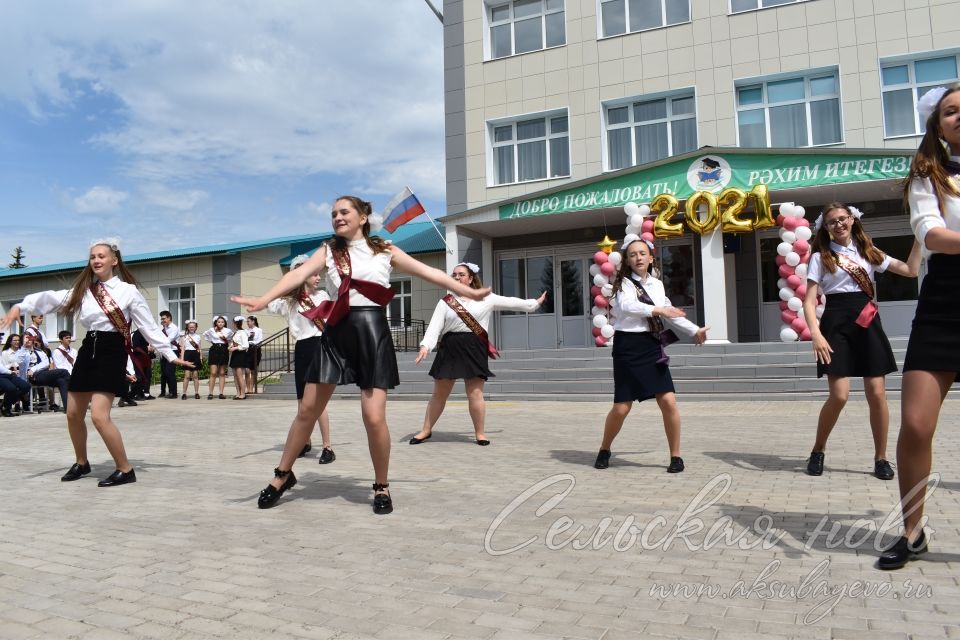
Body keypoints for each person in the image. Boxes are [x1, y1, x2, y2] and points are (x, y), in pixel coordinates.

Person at [233, 195, 490, 513]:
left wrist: (471, 291)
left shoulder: (385, 250)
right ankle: (282, 475)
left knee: (373, 417)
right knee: (306, 410)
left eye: (344, 212)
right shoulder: (329, 251)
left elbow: (431, 274)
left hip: (372, 335)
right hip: (337, 333)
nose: (337, 217)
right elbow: (295, 276)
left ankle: (381, 486)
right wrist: (262, 299)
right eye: (333, 214)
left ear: (363, 217)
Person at [0, 238, 194, 486]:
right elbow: (54, 298)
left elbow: (148, 326)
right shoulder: (85, 290)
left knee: (100, 416)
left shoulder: (127, 291)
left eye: (101, 256)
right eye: (93, 257)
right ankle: (82, 463)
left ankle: (125, 469)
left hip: (111, 350)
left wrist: (171, 355)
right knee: (72, 413)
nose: (96, 260)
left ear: (114, 259)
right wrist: (21, 306)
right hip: (87, 349)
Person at [879, 83, 960, 570]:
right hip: (945, 302)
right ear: (938, 124)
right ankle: (912, 531)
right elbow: (930, 234)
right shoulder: (927, 176)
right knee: (914, 425)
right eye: (951, 111)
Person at [802, 203, 921, 480]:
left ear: (852, 220)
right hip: (835, 323)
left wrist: (920, 236)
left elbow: (911, 270)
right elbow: (809, 301)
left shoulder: (869, 252)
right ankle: (818, 449)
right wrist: (816, 334)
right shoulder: (821, 257)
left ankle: (881, 458)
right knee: (839, 395)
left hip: (866, 322)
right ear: (826, 228)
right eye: (831, 222)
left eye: (842, 219)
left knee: (877, 394)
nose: (838, 224)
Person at [594, 237, 708, 473]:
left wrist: (694, 330)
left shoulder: (657, 285)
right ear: (627, 259)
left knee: (668, 401)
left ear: (651, 257)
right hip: (628, 347)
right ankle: (605, 448)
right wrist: (658, 309)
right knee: (622, 407)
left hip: (651, 345)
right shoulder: (623, 283)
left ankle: (675, 456)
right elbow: (628, 307)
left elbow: (670, 314)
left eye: (642, 253)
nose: (638, 258)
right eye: (633, 254)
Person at [410, 262, 546, 446]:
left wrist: (534, 303)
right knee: (439, 394)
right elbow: (435, 326)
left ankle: (480, 433)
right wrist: (425, 346)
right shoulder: (446, 302)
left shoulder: (486, 298)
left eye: (461, 274)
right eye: (454, 275)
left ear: (471, 278)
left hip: (474, 348)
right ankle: (426, 430)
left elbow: (512, 301)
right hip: (450, 348)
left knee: (475, 394)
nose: (457, 277)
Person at [266, 254, 335, 463]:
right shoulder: (289, 303)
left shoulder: (322, 296)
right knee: (302, 401)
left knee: (318, 403)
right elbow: (270, 301)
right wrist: (291, 280)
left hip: (319, 346)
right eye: (313, 274)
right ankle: (305, 441)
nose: (317, 277)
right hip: (302, 348)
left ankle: (327, 447)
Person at [17, 333, 71, 412]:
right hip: (33, 377)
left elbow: (46, 363)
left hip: (43, 374)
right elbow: (19, 361)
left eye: (30, 338)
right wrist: (24, 347)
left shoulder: (39, 351)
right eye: (26, 338)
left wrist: (34, 369)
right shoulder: (20, 352)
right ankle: (74, 401)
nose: (28, 340)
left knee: (62, 381)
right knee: (64, 372)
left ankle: (68, 408)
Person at [202, 316, 232, 399]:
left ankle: (221, 393)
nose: (220, 323)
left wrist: (221, 336)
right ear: (216, 322)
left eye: (222, 322)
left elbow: (229, 339)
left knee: (222, 373)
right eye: (219, 322)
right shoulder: (211, 330)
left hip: (224, 349)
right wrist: (212, 340)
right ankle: (210, 393)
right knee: (213, 372)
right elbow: (205, 335)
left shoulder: (228, 330)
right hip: (214, 349)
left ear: (225, 323)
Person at [157, 310, 180, 399]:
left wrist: (157, 343)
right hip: (164, 352)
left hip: (172, 351)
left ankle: (173, 393)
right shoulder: (164, 328)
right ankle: (163, 392)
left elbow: (168, 340)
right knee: (163, 373)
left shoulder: (174, 328)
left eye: (164, 318)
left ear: (169, 318)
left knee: (170, 372)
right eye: (161, 319)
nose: (162, 320)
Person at [179, 320, 203, 399]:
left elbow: (199, 348)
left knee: (195, 375)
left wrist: (201, 358)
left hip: (195, 355)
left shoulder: (198, 336)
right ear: (188, 328)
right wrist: (182, 360)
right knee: (187, 375)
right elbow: (182, 349)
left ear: (196, 327)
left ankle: (196, 393)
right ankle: (184, 393)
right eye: (190, 327)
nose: (192, 328)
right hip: (187, 355)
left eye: (193, 327)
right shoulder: (184, 337)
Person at [227, 315, 249, 399]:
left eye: (233, 323)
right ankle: (238, 393)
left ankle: (242, 394)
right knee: (235, 376)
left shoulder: (243, 332)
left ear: (236, 323)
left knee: (240, 375)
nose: (233, 324)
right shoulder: (236, 332)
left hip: (240, 354)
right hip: (235, 354)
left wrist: (235, 348)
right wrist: (231, 346)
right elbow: (235, 342)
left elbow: (245, 345)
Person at [244, 315, 263, 394]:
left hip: (255, 350)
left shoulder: (258, 330)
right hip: (247, 350)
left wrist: (251, 343)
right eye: (247, 322)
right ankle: (248, 388)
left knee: (253, 371)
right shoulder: (246, 331)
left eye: (248, 321)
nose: (247, 323)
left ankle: (251, 388)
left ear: (253, 321)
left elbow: (260, 340)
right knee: (247, 370)